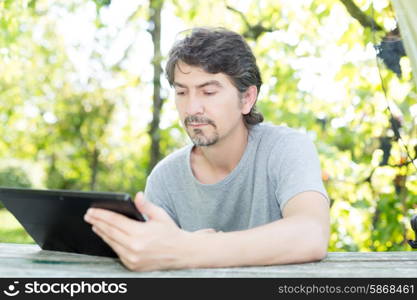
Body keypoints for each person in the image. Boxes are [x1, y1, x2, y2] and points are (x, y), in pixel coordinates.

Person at [84, 27, 330, 271]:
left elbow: (312, 233)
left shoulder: (286, 149)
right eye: (181, 92)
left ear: (246, 99)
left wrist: (189, 249)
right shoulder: (165, 178)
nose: (191, 108)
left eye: (208, 92)